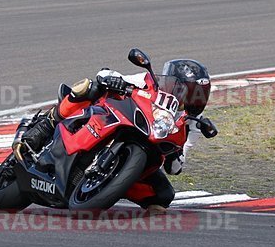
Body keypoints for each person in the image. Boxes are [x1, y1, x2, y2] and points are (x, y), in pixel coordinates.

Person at [13, 59, 212, 214]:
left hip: (147, 144)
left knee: (163, 196)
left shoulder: (193, 122)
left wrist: (175, 153)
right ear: (171, 83)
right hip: (116, 117)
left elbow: (176, 167)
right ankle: (44, 126)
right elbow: (106, 74)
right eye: (187, 90)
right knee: (88, 86)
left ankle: (109, 185)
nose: (191, 98)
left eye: (198, 93)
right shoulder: (148, 81)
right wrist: (113, 79)